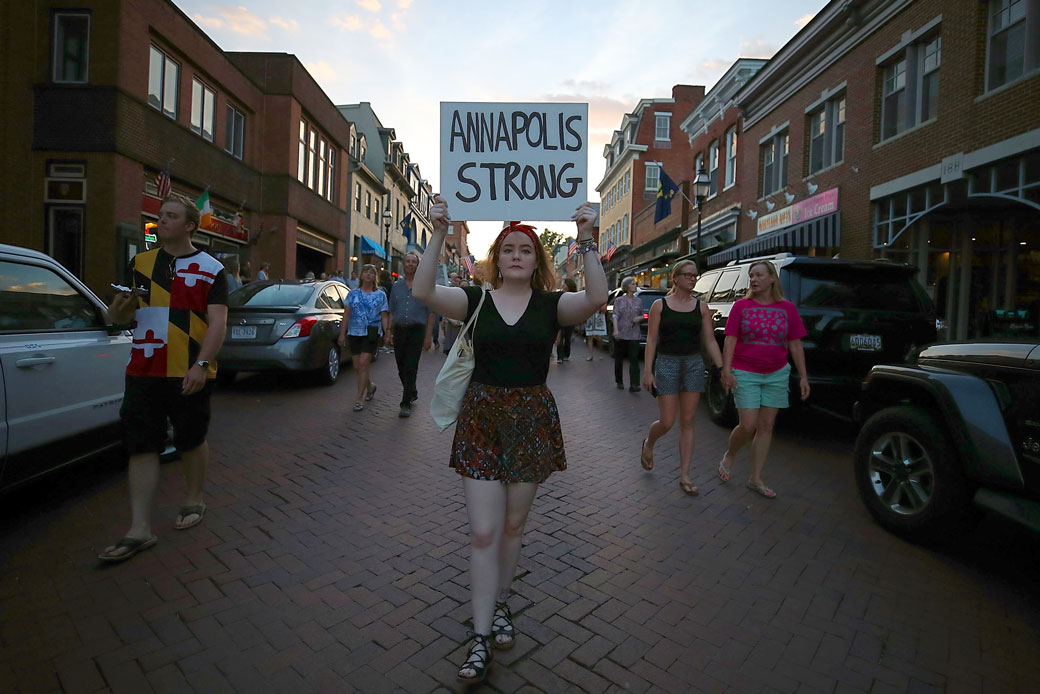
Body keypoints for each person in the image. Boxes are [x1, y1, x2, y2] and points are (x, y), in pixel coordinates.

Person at [412, 201, 606, 684]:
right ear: (495, 258)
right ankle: (479, 637)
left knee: (513, 529)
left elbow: (597, 298)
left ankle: (501, 605)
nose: (517, 256)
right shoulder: (474, 300)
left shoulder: (552, 304)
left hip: (530, 420)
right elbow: (421, 290)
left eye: (526, 250)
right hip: (481, 419)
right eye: (508, 250)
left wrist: (585, 237)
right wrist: (436, 233)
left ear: (535, 260)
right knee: (483, 532)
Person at [98, 196, 228, 562]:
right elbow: (117, 319)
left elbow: (218, 322)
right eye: (160, 216)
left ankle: (194, 497)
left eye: (171, 216)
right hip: (145, 368)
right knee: (141, 444)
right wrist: (116, 312)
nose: (162, 221)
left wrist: (201, 364)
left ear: (190, 225)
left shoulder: (211, 268)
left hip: (189, 369)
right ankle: (139, 528)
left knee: (191, 438)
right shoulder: (138, 264)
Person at [719, 261, 809, 498]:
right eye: (751, 276)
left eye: (759, 275)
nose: (754, 279)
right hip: (745, 371)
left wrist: (803, 377)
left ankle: (755, 478)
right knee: (748, 425)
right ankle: (730, 454)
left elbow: (795, 344)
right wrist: (726, 369)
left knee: (766, 426)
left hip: (777, 373)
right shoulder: (741, 306)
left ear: (772, 279)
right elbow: (730, 340)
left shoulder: (787, 308)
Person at [640, 261, 723, 496]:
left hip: (694, 363)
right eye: (687, 275)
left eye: (695, 275)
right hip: (667, 362)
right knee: (667, 421)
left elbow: (709, 340)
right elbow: (652, 339)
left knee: (688, 421)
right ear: (675, 278)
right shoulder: (660, 305)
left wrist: (722, 367)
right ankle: (649, 443)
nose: (692, 279)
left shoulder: (701, 307)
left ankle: (685, 475)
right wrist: (648, 371)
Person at [386, 251, 436, 418]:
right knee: (401, 366)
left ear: (417, 265)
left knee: (411, 365)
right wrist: (388, 332)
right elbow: (392, 310)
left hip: (417, 330)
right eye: (407, 261)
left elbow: (430, 313)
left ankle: (405, 402)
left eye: (413, 262)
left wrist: (428, 336)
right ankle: (412, 390)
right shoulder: (397, 286)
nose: (410, 264)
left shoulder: (424, 286)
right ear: (403, 264)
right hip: (399, 329)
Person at [337, 264, 389, 412]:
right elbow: (346, 314)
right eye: (366, 272)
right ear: (361, 275)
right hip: (354, 333)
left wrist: (387, 333)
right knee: (357, 367)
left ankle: (359, 399)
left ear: (375, 277)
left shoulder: (380, 295)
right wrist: (343, 333)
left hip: (371, 333)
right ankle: (370, 386)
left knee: (363, 363)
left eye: (372, 273)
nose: (368, 275)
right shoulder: (353, 294)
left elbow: (384, 315)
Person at [611, 277, 643, 391]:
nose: (635, 286)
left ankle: (635, 384)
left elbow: (643, 315)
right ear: (627, 286)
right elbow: (615, 316)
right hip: (621, 333)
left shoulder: (638, 301)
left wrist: (640, 318)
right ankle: (619, 381)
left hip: (634, 334)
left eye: (635, 284)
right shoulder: (619, 301)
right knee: (619, 358)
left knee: (634, 358)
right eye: (633, 284)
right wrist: (615, 330)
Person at [555, 278, 578, 362]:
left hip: (570, 318)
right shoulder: (559, 294)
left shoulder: (574, 295)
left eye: (564, 284)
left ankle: (566, 354)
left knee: (567, 337)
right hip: (560, 317)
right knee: (560, 336)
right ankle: (559, 356)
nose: (563, 285)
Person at [441, 272, 464, 354]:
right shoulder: (450, 292)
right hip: (452, 325)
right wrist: (450, 320)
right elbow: (444, 308)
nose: (456, 282)